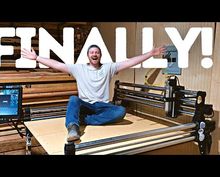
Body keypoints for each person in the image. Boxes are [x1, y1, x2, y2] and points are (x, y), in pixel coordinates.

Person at [21, 44, 165, 142]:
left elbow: (130, 62)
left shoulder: (109, 68)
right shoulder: (79, 68)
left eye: (96, 52)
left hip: (103, 106)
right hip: (86, 105)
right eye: (92, 52)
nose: (94, 54)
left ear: (100, 55)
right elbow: (58, 65)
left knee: (120, 111)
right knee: (73, 99)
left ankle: (83, 120)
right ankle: (73, 128)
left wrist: (151, 53)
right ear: (88, 55)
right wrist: (37, 58)